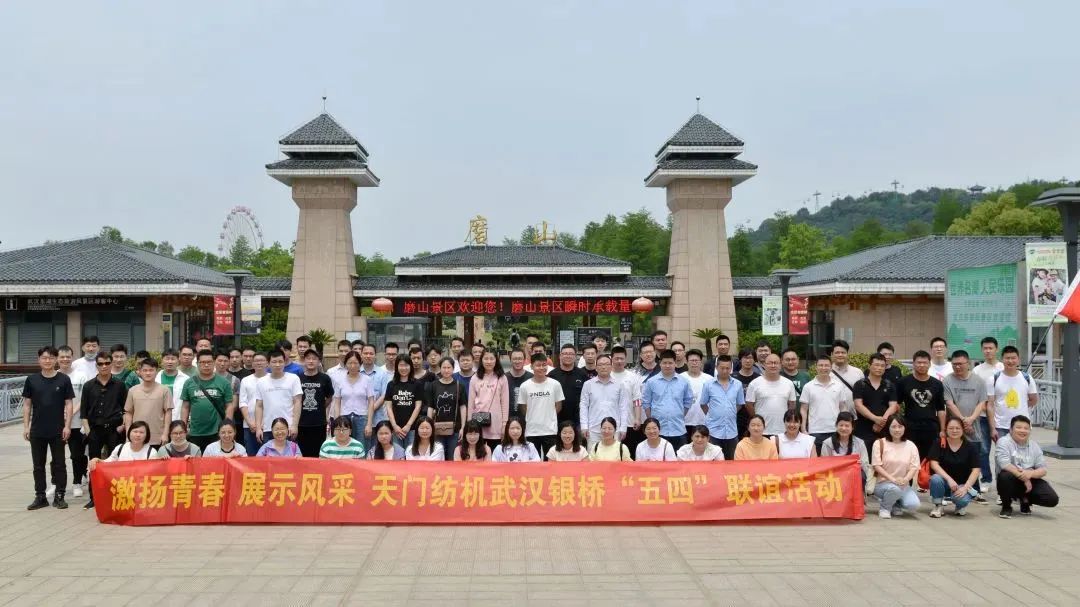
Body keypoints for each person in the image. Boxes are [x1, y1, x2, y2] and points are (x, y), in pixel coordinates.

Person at [23, 346, 75, 511]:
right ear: (39, 360)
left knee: (59, 464)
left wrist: (67, 426)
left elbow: (69, 404)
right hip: (37, 429)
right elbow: (27, 405)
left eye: (51, 358)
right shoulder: (31, 380)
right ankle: (40, 496)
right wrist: (26, 427)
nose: (48, 361)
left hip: (58, 429)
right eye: (44, 358)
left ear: (56, 360)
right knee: (38, 465)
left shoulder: (64, 379)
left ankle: (60, 495)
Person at [942, 349, 989, 502]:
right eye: (954, 364)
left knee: (973, 459)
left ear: (968, 363)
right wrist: (963, 420)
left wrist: (971, 419)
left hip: (974, 427)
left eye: (960, 364)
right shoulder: (948, 380)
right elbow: (949, 403)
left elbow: (982, 403)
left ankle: (974, 490)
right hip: (954, 428)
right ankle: (949, 491)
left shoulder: (979, 381)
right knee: (951, 459)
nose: (957, 367)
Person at [80, 352, 128, 497]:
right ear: (96, 365)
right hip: (94, 430)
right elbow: (84, 411)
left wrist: (122, 426)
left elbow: (126, 409)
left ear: (111, 364)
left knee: (115, 463)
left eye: (107, 363)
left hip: (114, 429)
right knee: (94, 464)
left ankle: (115, 495)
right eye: (100, 363)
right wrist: (88, 431)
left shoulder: (119, 385)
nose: (104, 366)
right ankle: (94, 496)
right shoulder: (88, 386)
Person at [995, 415, 1059, 518]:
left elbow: (1043, 469)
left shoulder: (1034, 445)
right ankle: (1006, 507)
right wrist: (1025, 478)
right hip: (1011, 479)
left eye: (1026, 428)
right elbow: (1004, 464)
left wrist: (1030, 474)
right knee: (1005, 476)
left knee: (1052, 499)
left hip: (1030, 477)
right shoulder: (1003, 442)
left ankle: (1025, 499)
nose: (1022, 431)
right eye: (1019, 427)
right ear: (1011, 430)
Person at [87, 421, 156, 507]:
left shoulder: (151, 452)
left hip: (142, 492)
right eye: (135, 431)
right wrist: (97, 460)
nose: (138, 435)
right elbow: (108, 463)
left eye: (141, 432)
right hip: (122, 491)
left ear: (147, 435)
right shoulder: (120, 448)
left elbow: (154, 473)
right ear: (129, 432)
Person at [180, 349, 236, 451]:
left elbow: (229, 405)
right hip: (195, 431)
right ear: (197, 364)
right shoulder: (189, 383)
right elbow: (185, 407)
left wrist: (227, 426)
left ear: (214, 363)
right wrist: (183, 427)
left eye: (209, 362)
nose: (206, 365)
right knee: (196, 458)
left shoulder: (224, 382)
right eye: (202, 362)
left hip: (217, 431)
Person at [896, 350, 946, 461]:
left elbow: (941, 409)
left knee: (929, 460)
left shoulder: (937, 384)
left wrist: (942, 430)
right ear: (913, 364)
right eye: (919, 362)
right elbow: (896, 405)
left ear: (929, 364)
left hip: (931, 427)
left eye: (925, 362)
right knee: (910, 458)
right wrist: (899, 424)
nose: (922, 365)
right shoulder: (903, 382)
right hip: (910, 427)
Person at [928, 416, 981, 518]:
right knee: (935, 478)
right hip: (944, 482)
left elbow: (976, 469)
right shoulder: (939, 443)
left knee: (962, 500)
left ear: (963, 429)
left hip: (962, 484)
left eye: (957, 428)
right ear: (946, 429)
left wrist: (965, 487)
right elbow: (934, 464)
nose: (954, 431)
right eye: (951, 428)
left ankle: (960, 506)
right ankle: (938, 506)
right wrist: (949, 479)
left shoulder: (971, 447)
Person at [870, 414, 921, 519]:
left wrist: (905, 479)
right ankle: (885, 508)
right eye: (893, 426)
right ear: (888, 428)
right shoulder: (879, 443)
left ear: (904, 428)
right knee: (894, 489)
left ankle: (895, 504)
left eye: (900, 426)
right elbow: (876, 465)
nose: (897, 430)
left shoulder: (911, 445)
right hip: (883, 484)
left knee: (913, 504)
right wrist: (893, 479)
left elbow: (914, 467)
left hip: (903, 484)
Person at [642, 349, 694, 450]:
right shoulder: (651, 382)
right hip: (658, 431)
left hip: (678, 429)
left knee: (680, 458)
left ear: (675, 363)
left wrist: (679, 414)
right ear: (660, 363)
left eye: (670, 363)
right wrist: (652, 421)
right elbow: (646, 403)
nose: (667, 365)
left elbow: (688, 402)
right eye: (664, 363)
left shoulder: (684, 382)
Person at [56, 346, 90, 499]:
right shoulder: (54, 376)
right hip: (57, 423)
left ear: (72, 357)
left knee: (77, 455)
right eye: (62, 357)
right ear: (57, 358)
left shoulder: (81, 376)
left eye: (68, 356)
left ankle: (77, 482)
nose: (65, 359)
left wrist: (71, 412)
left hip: (77, 423)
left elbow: (85, 399)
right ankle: (55, 483)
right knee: (57, 456)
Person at [799, 354, 852, 452]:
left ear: (831, 367)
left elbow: (843, 407)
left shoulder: (838, 386)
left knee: (836, 458)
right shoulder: (808, 386)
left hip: (835, 429)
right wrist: (803, 429)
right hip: (815, 431)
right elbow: (803, 409)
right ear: (816, 367)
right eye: (821, 365)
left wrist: (845, 426)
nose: (824, 368)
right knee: (818, 459)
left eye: (826, 365)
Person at [579, 354, 630, 451]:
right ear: (596, 367)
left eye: (606, 364)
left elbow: (623, 407)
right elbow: (584, 406)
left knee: (614, 457)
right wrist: (584, 426)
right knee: (593, 457)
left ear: (611, 366)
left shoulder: (620, 385)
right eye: (600, 364)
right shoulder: (588, 384)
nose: (603, 367)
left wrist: (623, 428)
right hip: (593, 430)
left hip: (614, 430)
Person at [988, 345, 1038, 444]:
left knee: (1021, 453)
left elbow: (1034, 400)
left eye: (1013, 358)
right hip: (1001, 426)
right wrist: (992, 428)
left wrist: (1021, 405)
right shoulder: (993, 379)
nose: (1010, 361)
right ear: (1002, 360)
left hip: (1022, 426)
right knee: (1003, 452)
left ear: (1018, 360)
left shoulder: (1027, 378)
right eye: (1007, 358)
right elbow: (990, 405)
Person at [518, 352, 564, 459]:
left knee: (550, 462)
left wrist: (549, 415)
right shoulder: (525, 386)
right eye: (538, 365)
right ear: (532, 367)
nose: (542, 368)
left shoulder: (555, 384)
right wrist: (533, 416)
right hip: (531, 431)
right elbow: (523, 408)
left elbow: (558, 406)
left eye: (544, 365)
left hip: (550, 430)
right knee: (533, 462)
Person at [699, 354, 745, 460]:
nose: (725, 371)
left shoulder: (737, 384)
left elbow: (739, 404)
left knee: (732, 461)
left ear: (731, 368)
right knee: (713, 461)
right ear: (716, 367)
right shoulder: (708, 384)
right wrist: (712, 414)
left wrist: (730, 412)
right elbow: (703, 404)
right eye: (722, 368)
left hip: (731, 431)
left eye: (727, 368)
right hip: (713, 430)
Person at [254, 350, 303, 448]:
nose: (277, 364)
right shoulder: (261, 382)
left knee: (289, 456)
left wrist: (294, 425)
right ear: (268, 363)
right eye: (274, 362)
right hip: (268, 428)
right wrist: (258, 428)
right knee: (269, 457)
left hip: (288, 428)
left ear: (284, 362)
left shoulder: (293, 379)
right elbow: (259, 406)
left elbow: (297, 402)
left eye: (280, 361)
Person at [852, 353, 899, 451]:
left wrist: (881, 422)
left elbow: (893, 406)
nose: (879, 368)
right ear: (870, 366)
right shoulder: (860, 384)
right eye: (876, 365)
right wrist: (875, 419)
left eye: (882, 366)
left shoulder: (889, 385)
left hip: (885, 428)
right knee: (865, 456)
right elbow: (858, 405)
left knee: (885, 455)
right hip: (863, 428)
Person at [745, 353, 797, 438]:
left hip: (782, 430)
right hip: (761, 430)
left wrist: (788, 421)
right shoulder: (754, 383)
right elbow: (749, 405)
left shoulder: (788, 383)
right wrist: (757, 420)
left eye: (776, 363)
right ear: (764, 365)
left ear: (780, 365)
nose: (773, 365)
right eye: (770, 363)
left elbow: (792, 404)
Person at [295, 349, 335, 457]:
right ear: (304, 361)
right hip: (301, 423)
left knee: (318, 452)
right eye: (308, 358)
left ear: (319, 361)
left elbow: (329, 396)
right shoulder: (298, 378)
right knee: (303, 453)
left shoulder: (325, 378)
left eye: (314, 359)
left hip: (319, 422)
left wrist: (321, 407)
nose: (311, 361)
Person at [468, 350, 509, 452]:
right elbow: (471, 403)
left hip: (496, 424)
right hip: (478, 423)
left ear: (496, 360)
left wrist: (504, 424)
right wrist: (469, 423)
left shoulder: (502, 378)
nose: (489, 361)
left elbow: (505, 403)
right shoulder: (475, 378)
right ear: (481, 360)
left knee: (495, 454)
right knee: (479, 454)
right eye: (486, 359)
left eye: (491, 359)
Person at [428, 357, 468, 461]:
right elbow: (430, 407)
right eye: (444, 367)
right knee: (438, 457)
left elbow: (463, 407)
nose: (446, 370)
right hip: (437, 428)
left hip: (455, 429)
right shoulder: (433, 385)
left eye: (449, 367)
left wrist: (463, 427)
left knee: (452, 457)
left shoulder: (459, 386)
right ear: (440, 368)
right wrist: (429, 426)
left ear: (453, 369)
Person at [333, 351, 375, 448]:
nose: (352, 366)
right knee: (345, 446)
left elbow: (371, 402)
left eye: (355, 363)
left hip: (362, 418)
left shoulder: (367, 380)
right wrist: (337, 422)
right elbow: (337, 403)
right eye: (350, 363)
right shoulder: (339, 381)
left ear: (360, 364)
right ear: (345, 364)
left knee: (362, 446)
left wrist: (369, 424)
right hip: (344, 418)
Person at [820, 411, 871, 486]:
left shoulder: (860, 443)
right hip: (834, 478)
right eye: (841, 425)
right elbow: (823, 465)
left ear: (852, 427)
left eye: (847, 426)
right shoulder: (827, 443)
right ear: (836, 425)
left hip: (854, 477)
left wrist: (860, 464)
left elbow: (866, 465)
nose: (843, 428)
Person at [610, 346, 644, 457]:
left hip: (629, 422)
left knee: (628, 454)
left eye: (622, 358)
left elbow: (637, 399)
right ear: (612, 359)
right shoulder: (607, 375)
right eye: (616, 358)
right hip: (610, 423)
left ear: (625, 359)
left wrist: (637, 418)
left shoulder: (633, 377)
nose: (619, 361)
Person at [548, 344, 591, 430]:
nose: (568, 356)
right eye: (565, 353)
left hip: (578, 420)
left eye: (571, 354)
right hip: (556, 419)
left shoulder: (582, 374)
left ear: (575, 357)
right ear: (560, 356)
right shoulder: (552, 375)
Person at [386, 357, 424, 450]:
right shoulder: (391, 384)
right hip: (396, 429)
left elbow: (418, 406)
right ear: (397, 367)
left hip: (412, 428)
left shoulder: (417, 384)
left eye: (406, 365)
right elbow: (388, 407)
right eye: (401, 365)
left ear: (410, 366)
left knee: (411, 454)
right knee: (397, 454)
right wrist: (394, 426)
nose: (404, 368)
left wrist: (408, 425)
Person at [237, 351, 268, 456]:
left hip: (268, 425)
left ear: (267, 363)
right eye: (256, 361)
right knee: (251, 456)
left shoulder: (272, 379)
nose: (259, 363)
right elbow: (243, 402)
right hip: (249, 425)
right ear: (252, 364)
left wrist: (262, 424)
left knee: (268, 457)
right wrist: (250, 422)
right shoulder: (246, 380)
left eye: (262, 360)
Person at [679, 349, 709, 440]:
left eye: (697, 360)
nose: (694, 363)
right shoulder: (680, 378)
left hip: (703, 421)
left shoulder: (709, 379)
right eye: (692, 360)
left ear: (701, 362)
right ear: (686, 361)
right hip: (684, 421)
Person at [359, 343, 389, 429]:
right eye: (365, 353)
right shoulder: (356, 372)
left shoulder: (382, 373)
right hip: (359, 418)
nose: (368, 356)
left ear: (375, 356)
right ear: (361, 355)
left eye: (371, 353)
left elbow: (384, 395)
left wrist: (370, 410)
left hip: (378, 420)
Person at [733, 348, 760, 438]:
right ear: (740, 359)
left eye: (750, 358)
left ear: (754, 360)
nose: (748, 361)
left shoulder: (759, 378)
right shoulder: (733, 378)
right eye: (745, 358)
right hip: (736, 416)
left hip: (754, 415)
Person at [156, 348, 189, 422]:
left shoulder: (186, 379)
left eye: (173, 359)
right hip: (158, 420)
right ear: (162, 360)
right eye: (167, 359)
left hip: (178, 420)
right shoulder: (155, 378)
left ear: (178, 360)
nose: (170, 362)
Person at [829, 340, 864, 405]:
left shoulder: (858, 372)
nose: (840, 355)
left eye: (843, 352)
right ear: (831, 354)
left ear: (847, 354)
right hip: (833, 411)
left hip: (854, 411)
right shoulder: (827, 373)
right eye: (837, 353)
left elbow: (864, 394)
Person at [506, 348, 533, 419]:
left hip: (528, 418)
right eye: (514, 359)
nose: (517, 361)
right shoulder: (504, 378)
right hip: (508, 418)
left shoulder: (531, 378)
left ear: (524, 360)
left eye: (520, 359)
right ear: (510, 360)